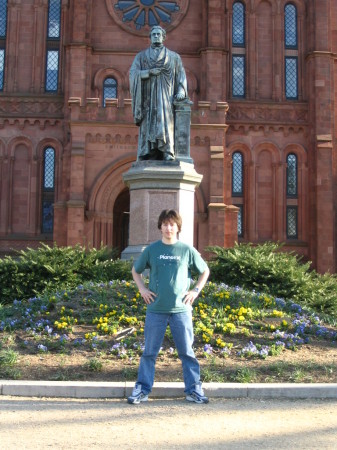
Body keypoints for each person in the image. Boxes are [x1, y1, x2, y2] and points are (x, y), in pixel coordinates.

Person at [127, 209, 210, 404]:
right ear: (160, 227)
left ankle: (193, 389)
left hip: (181, 310)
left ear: (178, 227)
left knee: (187, 352)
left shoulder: (186, 250)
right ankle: (142, 389)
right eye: (165, 224)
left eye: (172, 224)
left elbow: (205, 270)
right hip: (156, 309)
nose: (168, 228)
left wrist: (195, 291)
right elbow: (135, 270)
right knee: (149, 352)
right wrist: (142, 290)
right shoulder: (152, 250)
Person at [129, 25, 187, 161]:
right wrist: (148, 72)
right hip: (147, 99)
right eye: (153, 34)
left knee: (165, 123)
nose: (156, 36)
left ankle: (167, 151)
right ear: (149, 37)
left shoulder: (174, 57)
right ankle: (150, 151)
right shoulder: (141, 56)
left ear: (163, 37)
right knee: (149, 124)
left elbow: (181, 75)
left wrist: (181, 90)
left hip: (166, 99)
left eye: (158, 34)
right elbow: (133, 74)